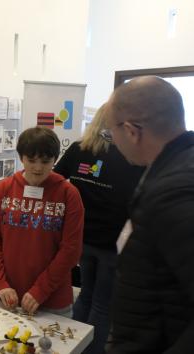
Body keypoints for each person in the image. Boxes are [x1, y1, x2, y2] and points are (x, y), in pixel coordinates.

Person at [102, 76, 194, 354]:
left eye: (110, 133)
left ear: (131, 131)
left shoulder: (175, 193)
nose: (112, 142)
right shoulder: (176, 169)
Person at [54, 107, 144, 354]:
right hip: (114, 243)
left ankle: (73, 347)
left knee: (85, 294)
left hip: (82, 237)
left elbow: (55, 180)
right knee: (103, 303)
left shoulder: (78, 149)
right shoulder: (132, 158)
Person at [0, 127, 84, 317]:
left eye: (45, 162)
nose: (38, 168)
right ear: (21, 157)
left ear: (55, 159)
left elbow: (71, 250)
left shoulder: (68, 194)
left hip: (52, 299)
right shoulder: (3, 190)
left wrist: (41, 289)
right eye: (31, 160)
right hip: (6, 296)